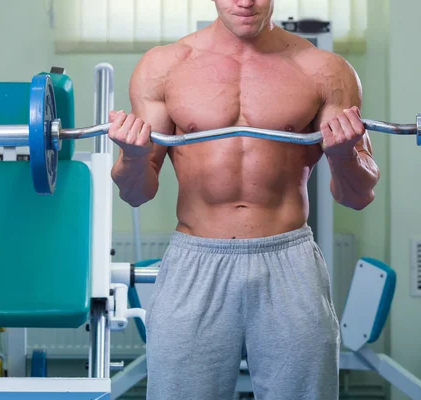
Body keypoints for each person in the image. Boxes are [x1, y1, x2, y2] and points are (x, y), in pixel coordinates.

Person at [109, 0, 379, 398]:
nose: (245, 1)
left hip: (289, 263)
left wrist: (343, 155)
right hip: (196, 262)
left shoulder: (325, 70)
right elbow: (136, 192)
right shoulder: (164, 66)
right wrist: (133, 156)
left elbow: (358, 195)